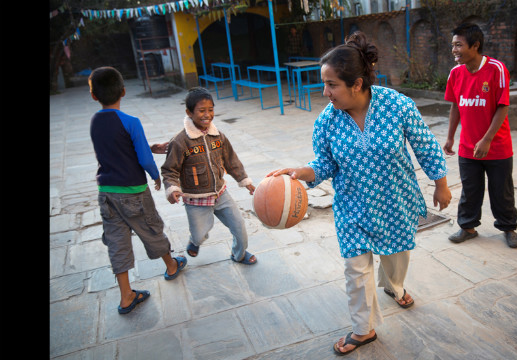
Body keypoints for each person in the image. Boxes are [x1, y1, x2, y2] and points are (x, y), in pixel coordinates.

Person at [267, 31, 451, 356]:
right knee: (356, 270)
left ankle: (394, 287)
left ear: (357, 84)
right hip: (352, 208)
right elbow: (322, 165)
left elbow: (425, 146)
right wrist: (299, 173)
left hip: (396, 202)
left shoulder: (397, 105)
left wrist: (441, 183)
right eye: (324, 84)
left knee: (396, 257)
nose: (325, 92)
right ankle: (363, 329)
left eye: (332, 84)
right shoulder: (326, 122)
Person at [88, 67, 187, 315]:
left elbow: (116, 149)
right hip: (133, 191)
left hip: (107, 193)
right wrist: (155, 176)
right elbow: (142, 158)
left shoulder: (94, 121)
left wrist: (148, 145)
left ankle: (126, 296)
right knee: (151, 229)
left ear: (93, 96)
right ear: (123, 91)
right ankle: (172, 266)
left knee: (116, 242)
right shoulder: (131, 122)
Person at [443, 23, 517, 248]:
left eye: (459, 45)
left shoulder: (496, 69)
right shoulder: (455, 73)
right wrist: (450, 137)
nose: (454, 50)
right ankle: (467, 227)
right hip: (468, 148)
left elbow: (502, 106)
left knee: (502, 191)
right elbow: (456, 106)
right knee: (470, 191)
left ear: (475, 46)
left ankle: (509, 228)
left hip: (497, 147)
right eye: (453, 45)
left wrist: (487, 139)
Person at [160, 87, 257, 265]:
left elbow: (231, 161)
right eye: (201, 110)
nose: (207, 115)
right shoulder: (180, 141)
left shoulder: (218, 136)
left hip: (221, 194)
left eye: (210, 110)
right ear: (189, 112)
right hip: (196, 200)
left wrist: (245, 181)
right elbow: (169, 170)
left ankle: (239, 254)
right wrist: (172, 188)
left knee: (239, 227)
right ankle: (195, 241)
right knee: (200, 232)